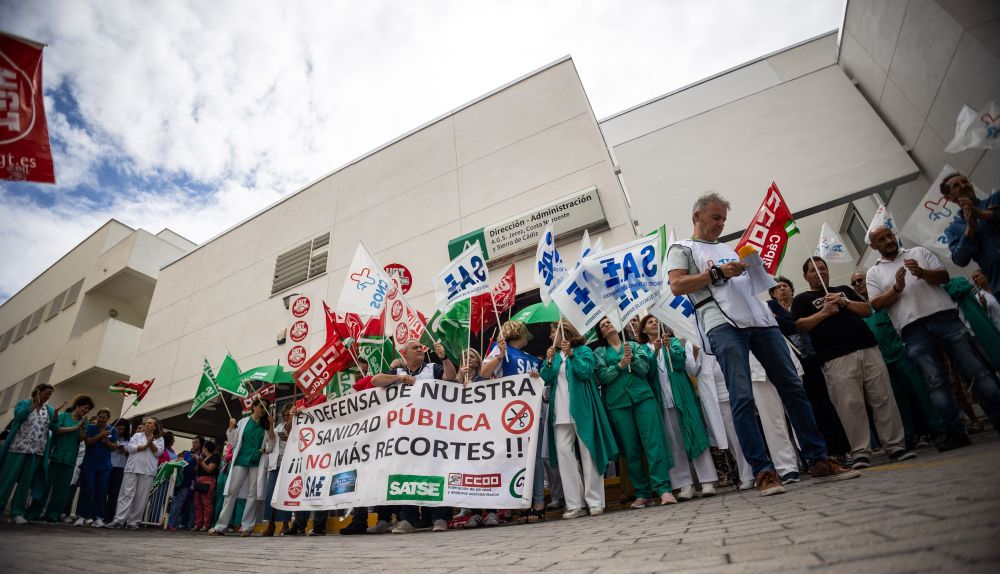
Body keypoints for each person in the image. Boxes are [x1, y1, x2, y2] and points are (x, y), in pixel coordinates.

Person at [667, 192, 859, 496]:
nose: (720, 224)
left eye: (723, 219)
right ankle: (764, 471)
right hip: (722, 324)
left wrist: (753, 269)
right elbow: (677, 285)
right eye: (715, 218)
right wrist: (716, 272)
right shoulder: (681, 249)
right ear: (697, 217)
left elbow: (746, 282)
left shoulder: (728, 248)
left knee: (793, 388)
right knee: (742, 397)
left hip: (760, 320)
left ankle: (818, 458)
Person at [867, 224, 1000, 449]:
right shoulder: (874, 272)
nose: (888, 241)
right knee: (936, 383)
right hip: (913, 331)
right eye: (881, 239)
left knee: (976, 371)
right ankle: (955, 432)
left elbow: (944, 275)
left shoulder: (919, 253)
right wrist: (897, 288)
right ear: (874, 245)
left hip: (945, 319)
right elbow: (876, 304)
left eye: (889, 235)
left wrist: (921, 272)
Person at [792, 258, 911, 469]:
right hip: (835, 357)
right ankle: (860, 451)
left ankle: (895, 445)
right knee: (849, 405)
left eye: (823, 268)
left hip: (867, 348)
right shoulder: (802, 299)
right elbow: (800, 326)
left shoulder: (843, 289)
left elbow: (867, 309)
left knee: (882, 397)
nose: (820, 272)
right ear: (805, 276)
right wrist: (825, 312)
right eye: (813, 270)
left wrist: (844, 302)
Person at [369, 339, 455, 533]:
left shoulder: (433, 368)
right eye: (415, 348)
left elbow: (450, 377)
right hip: (407, 434)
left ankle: (440, 517)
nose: (420, 349)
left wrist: (444, 358)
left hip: (434, 429)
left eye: (421, 347)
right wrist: (399, 380)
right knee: (408, 472)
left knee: (435, 470)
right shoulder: (398, 373)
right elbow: (375, 381)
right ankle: (407, 518)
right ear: (404, 353)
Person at [851, 271, 944, 449]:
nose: (857, 285)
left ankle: (939, 428)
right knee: (897, 401)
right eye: (854, 283)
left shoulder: (884, 300)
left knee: (922, 392)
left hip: (902, 353)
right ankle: (908, 436)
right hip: (882, 360)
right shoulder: (860, 312)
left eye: (860, 280)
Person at [595, 316, 676, 508]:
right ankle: (642, 493)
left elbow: (646, 369)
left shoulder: (634, 345)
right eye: (603, 325)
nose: (607, 325)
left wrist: (633, 360)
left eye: (609, 321)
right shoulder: (599, 352)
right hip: (617, 404)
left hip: (643, 398)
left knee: (653, 443)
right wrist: (621, 365)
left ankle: (663, 489)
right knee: (630, 450)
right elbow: (602, 377)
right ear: (602, 333)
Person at [540, 320, 618, 519]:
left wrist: (572, 356)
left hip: (582, 409)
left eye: (553, 333)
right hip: (560, 413)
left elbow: (585, 372)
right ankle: (575, 504)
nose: (551, 337)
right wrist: (548, 362)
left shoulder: (583, 351)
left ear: (564, 333)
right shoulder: (554, 355)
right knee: (564, 454)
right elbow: (546, 378)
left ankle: (595, 501)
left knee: (588, 452)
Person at [768, 277, 851, 458]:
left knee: (828, 402)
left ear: (792, 290)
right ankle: (825, 451)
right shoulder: (770, 309)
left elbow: (801, 325)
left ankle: (842, 449)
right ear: (773, 294)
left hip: (814, 358)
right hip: (794, 365)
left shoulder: (801, 305)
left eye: (786, 286)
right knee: (810, 407)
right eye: (778, 287)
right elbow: (790, 328)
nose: (782, 289)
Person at [639, 315, 715, 500]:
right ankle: (684, 485)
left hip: (681, 395)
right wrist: (655, 352)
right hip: (662, 401)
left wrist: (666, 347)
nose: (654, 323)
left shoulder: (672, 341)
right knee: (673, 443)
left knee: (695, 432)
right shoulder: (642, 349)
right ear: (643, 330)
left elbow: (680, 362)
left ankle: (707, 481)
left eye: (656, 321)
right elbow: (646, 371)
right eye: (650, 322)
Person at [479, 320, 548, 521]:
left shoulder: (533, 359)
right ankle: (521, 501)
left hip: (531, 411)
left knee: (533, 457)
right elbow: (484, 373)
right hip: (509, 413)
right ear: (520, 333)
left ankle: (537, 501)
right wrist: (500, 355)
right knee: (516, 457)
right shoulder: (501, 349)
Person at [682, 340, 755, 489]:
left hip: (729, 389)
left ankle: (750, 473)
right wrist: (695, 351)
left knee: (739, 435)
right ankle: (746, 474)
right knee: (729, 438)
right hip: (712, 396)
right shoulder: (690, 342)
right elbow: (691, 370)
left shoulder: (715, 334)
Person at [209, 398, 276, 536]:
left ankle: (247, 527)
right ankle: (220, 526)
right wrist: (231, 427)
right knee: (232, 491)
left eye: (265, 408)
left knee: (253, 494)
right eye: (261, 407)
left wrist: (270, 426)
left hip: (256, 462)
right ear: (254, 407)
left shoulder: (266, 424)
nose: (263, 410)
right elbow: (233, 442)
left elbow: (271, 444)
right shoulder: (243, 422)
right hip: (241, 460)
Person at [26, 394, 93, 523]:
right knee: (44, 487)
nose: (86, 411)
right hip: (54, 456)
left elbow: (80, 439)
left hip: (70, 459)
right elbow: (56, 430)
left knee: (61, 491)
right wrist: (76, 427)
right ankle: (33, 513)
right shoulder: (63, 416)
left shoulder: (85, 422)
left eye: (88, 410)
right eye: (85, 408)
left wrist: (82, 427)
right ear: (77, 405)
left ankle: (53, 515)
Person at [0, 383, 60, 524]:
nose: (48, 397)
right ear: (38, 392)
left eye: (50, 394)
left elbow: (53, 427)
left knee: (25, 483)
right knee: (7, 479)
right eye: (46, 393)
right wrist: (32, 406)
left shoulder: (49, 410)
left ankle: (17, 512)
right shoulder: (24, 403)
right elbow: (19, 417)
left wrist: (56, 417)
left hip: (36, 451)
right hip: (17, 448)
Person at [943, 173, 1000, 293]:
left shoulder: (995, 199)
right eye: (957, 185)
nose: (964, 186)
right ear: (948, 198)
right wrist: (970, 230)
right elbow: (959, 259)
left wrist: (982, 214)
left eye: (965, 181)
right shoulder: (953, 229)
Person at [108, 417, 165, 529]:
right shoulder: (137, 435)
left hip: (147, 471)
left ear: (155, 426)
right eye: (146, 423)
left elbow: (158, 453)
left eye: (150, 423)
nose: (147, 424)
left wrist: (150, 442)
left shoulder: (160, 439)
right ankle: (119, 520)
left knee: (141, 497)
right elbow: (129, 448)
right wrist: (141, 447)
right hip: (132, 468)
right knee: (126, 494)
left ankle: (133, 522)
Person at [77, 407, 118, 528]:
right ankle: (81, 516)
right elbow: (88, 442)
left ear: (108, 419)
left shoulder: (112, 430)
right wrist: (100, 436)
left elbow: (114, 447)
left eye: (104, 417)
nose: (101, 419)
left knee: (101, 491)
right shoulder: (91, 427)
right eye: (100, 417)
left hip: (104, 465)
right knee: (88, 489)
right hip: (89, 464)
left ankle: (98, 517)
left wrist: (106, 441)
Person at [262, 406, 292, 536]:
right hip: (275, 465)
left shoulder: (298, 426)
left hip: (288, 465)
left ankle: (286, 523)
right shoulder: (278, 427)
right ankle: (270, 524)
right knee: (271, 495)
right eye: (285, 415)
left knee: (286, 495)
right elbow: (271, 444)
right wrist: (270, 425)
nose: (286, 417)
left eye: (288, 415)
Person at [167, 436, 201, 530]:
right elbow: (181, 464)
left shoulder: (201, 455)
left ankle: (186, 524)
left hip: (193, 483)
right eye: (193, 442)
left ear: (201, 444)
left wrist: (198, 461)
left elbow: (197, 469)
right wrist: (178, 461)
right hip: (182, 482)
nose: (194, 444)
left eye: (196, 442)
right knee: (177, 503)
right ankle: (172, 524)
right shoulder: (187, 454)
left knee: (190, 505)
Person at [104, 418, 129, 523]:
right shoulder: (109, 435)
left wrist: (124, 450)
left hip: (120, 467)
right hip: (107, 465)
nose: (120, 431)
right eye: (119, 428)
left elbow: (131, 453)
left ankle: (109, 518)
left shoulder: (128, 439)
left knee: (114, 494)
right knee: (103, 492)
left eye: (123, 429)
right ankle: (99, 515)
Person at [192, 440, 219, 531]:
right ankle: (198, 523)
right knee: (197, 504)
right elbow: (196, 470)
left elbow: (210, 470)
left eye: (203, 447)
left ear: (206, 448)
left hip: (208, 481)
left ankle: (206, 524)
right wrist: (198, 461)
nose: (202, 449)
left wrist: (200, 461)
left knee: (207, 504)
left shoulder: (214, 457)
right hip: (199, 480)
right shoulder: (203, 458)